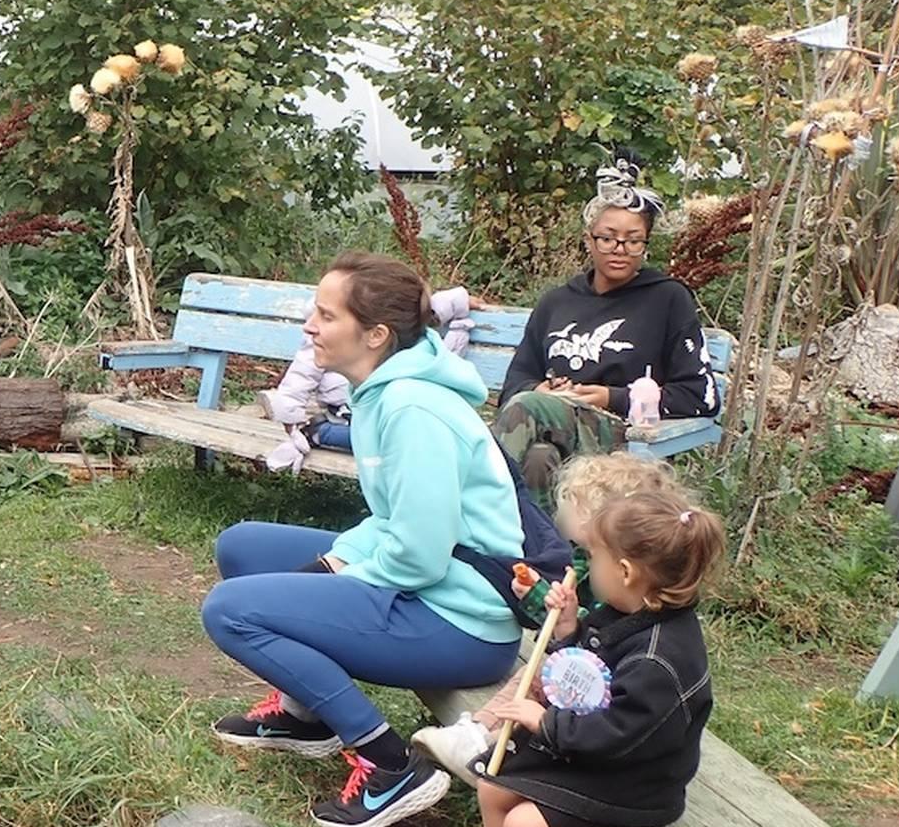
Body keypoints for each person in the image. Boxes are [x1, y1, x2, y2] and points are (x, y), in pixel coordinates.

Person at [201, 252, 527, 827]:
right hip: (429, 581)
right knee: (243, 547)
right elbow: (393, 519)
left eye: (326, 315)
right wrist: (335, 561)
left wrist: (339, 577)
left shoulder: (413, 409)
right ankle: (307, 716)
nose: (309, 325)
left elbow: (421, 555)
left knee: (230, 612)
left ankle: (389, 763)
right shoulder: (381, 390)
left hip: (460, 621)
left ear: (375, 334)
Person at [413, 452, 687, 785]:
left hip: (604, 712)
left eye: (574, 508)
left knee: (538, 674)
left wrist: (562, 618)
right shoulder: (609, 573)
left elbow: (600, 644)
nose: (563, 519)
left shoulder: (638, 611)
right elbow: (584, 633)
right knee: (536, 674)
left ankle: (483, 738)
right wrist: (543, 600)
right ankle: (479, 733)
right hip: (587, 682)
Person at [473, 490, 722, 827]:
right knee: (492, 786)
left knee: (524, 821)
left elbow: (617, 733)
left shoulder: (657, 662)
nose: (587, 565)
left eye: (592, 556)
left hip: (634, 786)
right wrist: (568, 630)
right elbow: (592, 675)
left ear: (624, 572)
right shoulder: (627, 611)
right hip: (596, 756)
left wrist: (546, 723)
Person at [494, 156, 720, 491]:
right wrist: (538, 390)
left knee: (528, 409)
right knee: (540, 458)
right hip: (549, 427)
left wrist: (610, 397)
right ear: (589, 240)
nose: (620, 249)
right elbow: (516, 383)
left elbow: (701, 397)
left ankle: (471, 512)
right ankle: (544, 545)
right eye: (608, 238)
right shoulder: (557, 301)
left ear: (645, 245)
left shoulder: (667, 299)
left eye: (633, 240)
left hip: (623, 435)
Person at [261, 287, 475, 472]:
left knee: (406, 438)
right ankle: (317, 432)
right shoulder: (327, 336)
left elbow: (421, 306)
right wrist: (289, 412)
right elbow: (302, 373)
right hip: (346, 414)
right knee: (383, 439)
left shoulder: (400, 328)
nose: (311, 326)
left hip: (391, 419)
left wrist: (460, 301)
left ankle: (318, 432)